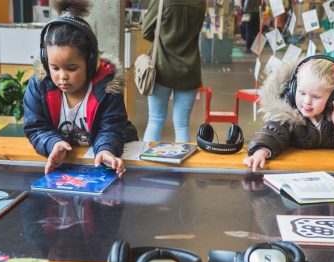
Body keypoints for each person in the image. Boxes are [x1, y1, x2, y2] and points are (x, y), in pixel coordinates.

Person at [23, 0, 138, 175]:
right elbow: (36, 128)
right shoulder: (39, 87)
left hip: (103, 163)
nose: (62, 76)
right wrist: (53, 143)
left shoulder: (107, 87)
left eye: (71, 68)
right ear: (46, 64)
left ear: (91, 63)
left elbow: (111, 127)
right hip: (67, 166)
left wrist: (106, 150)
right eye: (55, 68)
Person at [244, 55, 334, 171]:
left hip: (333, 172)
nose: (307, 101)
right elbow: (272, 132)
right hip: (296, 172)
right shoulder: (286, 114)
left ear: (333, 98)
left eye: (316, 97)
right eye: (301, 93)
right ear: (293, 89)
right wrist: (261, 151)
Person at [141, 0, 206, 142]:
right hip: (190, 68)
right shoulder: (200, 2)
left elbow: (145, 31)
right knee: (182, 125)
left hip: (161, 68)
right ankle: (180, 163)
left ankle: (148, 163)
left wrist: (164, 39)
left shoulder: (161, 1)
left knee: (155, 120)